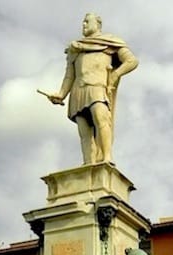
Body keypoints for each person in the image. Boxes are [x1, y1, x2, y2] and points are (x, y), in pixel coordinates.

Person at [46, 13, 138, 165]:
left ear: (98, 24)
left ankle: (107, 157)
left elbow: (131, 61)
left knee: (101, 118)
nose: (83, 24)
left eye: (87, 21)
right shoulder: (74, 49)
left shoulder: (110, 42)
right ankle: (89, 162)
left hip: (97, 87)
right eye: (82, 22)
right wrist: (61, 95)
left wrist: (115, 74)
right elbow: (69, 76)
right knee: (84, 130)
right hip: (78, 90)